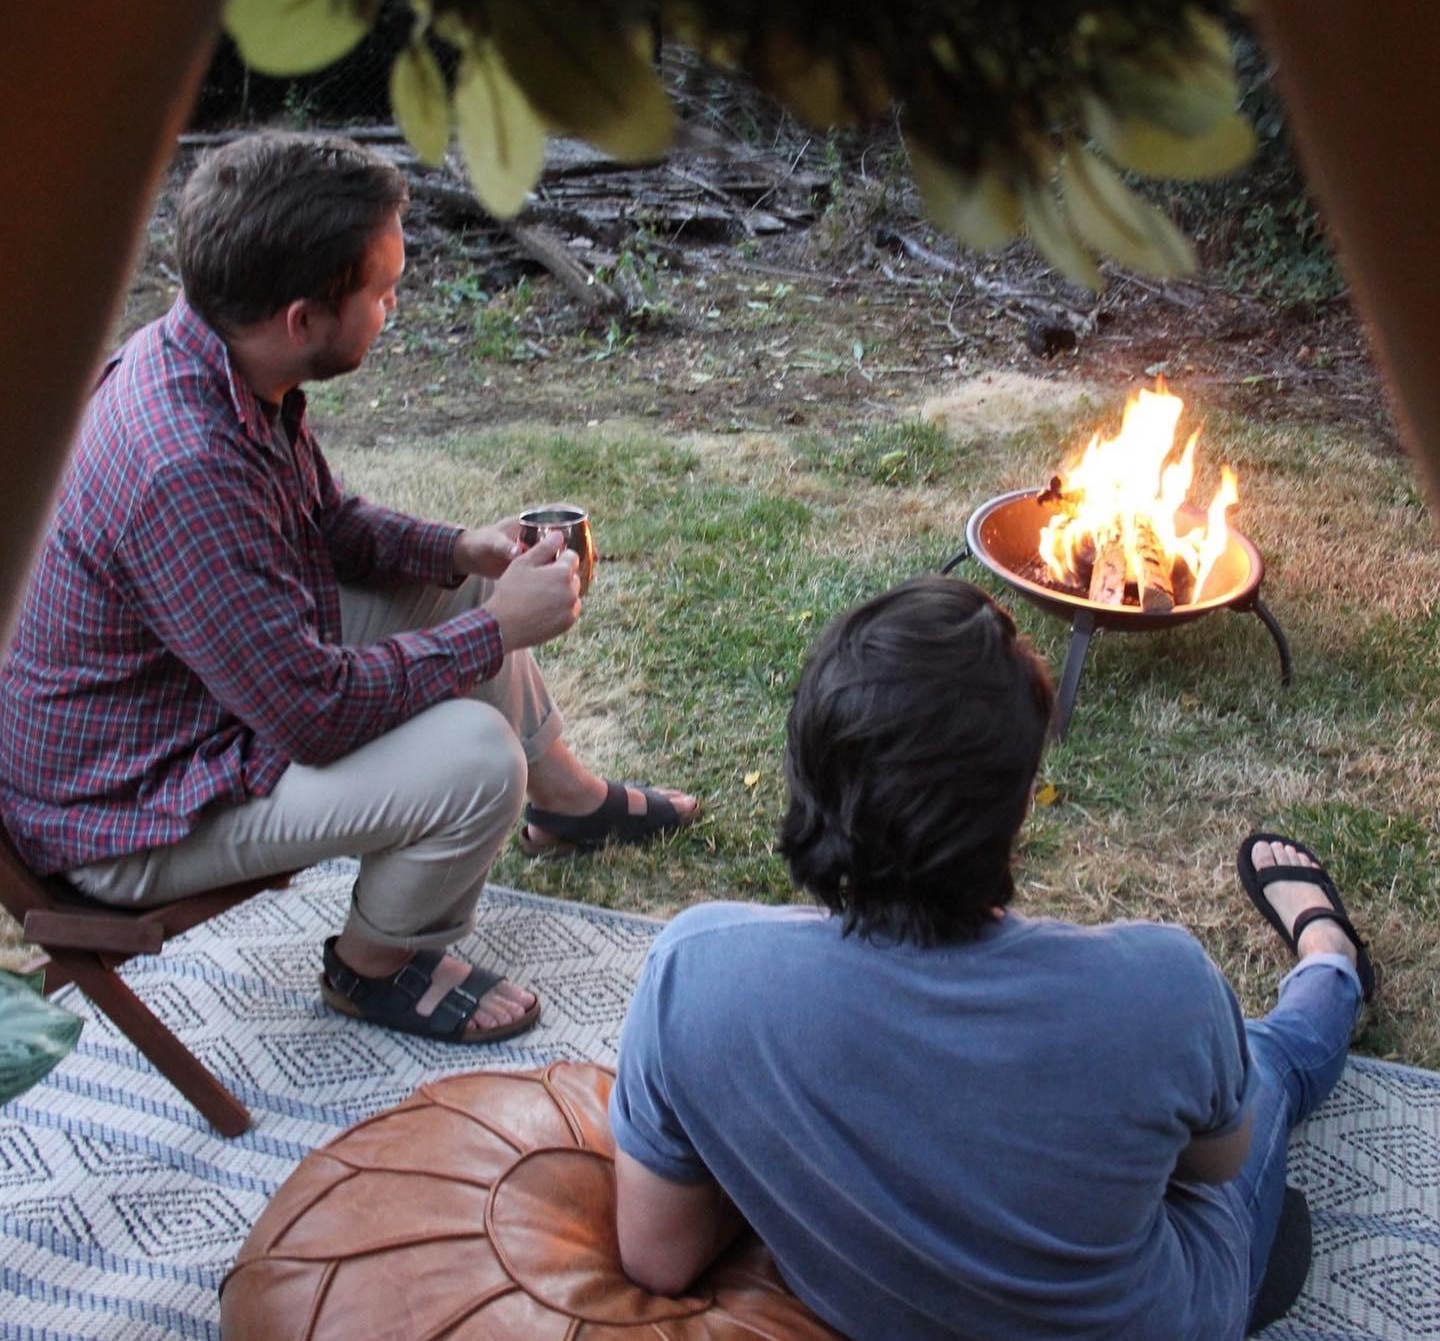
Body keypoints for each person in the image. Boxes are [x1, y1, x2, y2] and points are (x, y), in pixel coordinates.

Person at [0, 131, 697, 1045]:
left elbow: (324, 522)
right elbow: (312, 714)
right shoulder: (183, 464)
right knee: (475, 760)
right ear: (301, 317)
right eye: (382, 289)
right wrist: (496, 635)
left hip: (189, 701)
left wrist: (462, 547)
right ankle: (377, 963)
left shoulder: (215, 356)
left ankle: (562, 800)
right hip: (131, 809)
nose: (395, 303)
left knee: (463, 593)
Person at [608, 574, 1375, 1340]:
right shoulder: (1159, 987)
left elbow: (658, 1257)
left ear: (806, 771)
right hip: (1167, 1311)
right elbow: (1216, 1162)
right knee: (1267, 1065)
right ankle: (1330, 958)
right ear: (1020, 801)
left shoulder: (691, 975)